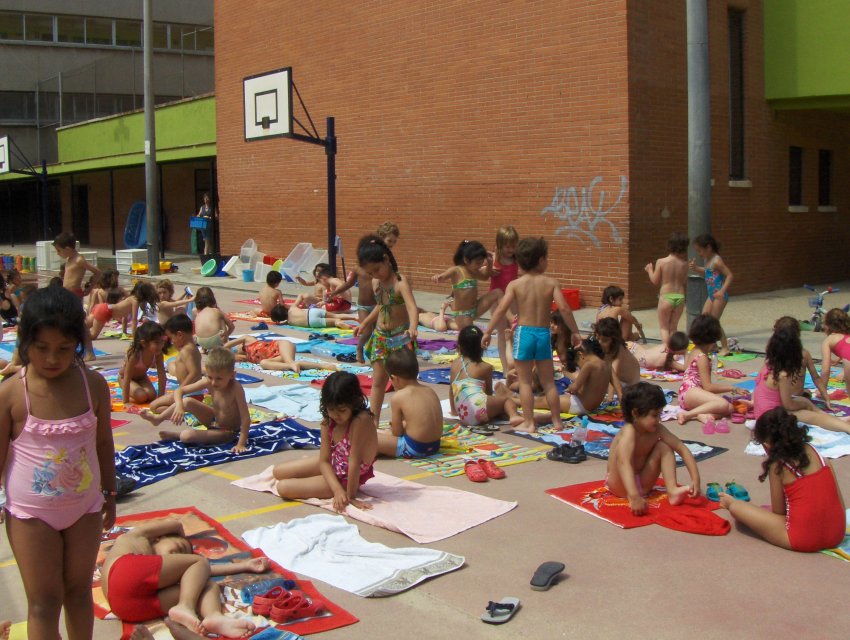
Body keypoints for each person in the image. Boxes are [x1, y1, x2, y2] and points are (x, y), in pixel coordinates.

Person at [0, 286, 116, 639]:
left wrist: (110, 492)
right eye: (42, 348)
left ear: (78, 344)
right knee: (43, 602)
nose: (52, 358)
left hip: (84, 510)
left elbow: (103, 442)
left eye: (64, 349)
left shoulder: (93, 386)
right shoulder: (12, 393)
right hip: (31, 515)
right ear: (25, 343)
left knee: (78, 593)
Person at [482, 237, 582, 433]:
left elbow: (501, 309)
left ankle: (529, 422)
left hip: (524, 334)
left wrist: (487, 331)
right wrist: (576, 331)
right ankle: (557, 421)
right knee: (548, 382)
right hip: (543, 334)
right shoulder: (551, 283)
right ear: (541, 260)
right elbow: (564, 308)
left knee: (525, 382)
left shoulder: (515, 285)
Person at [101, 517, 267, 633]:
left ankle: (213, 617)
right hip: (122, 571)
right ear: (160, 538)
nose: (178, 556)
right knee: (199, 563)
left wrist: (245, 566)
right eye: (179, 548)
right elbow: (175, 524)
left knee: (205, 585)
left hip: (127, 609)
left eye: (182, 554)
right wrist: (181, 535)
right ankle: (185, 606)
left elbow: (202, 572)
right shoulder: (136, 538)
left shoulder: (163, 571)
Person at [719, 407, 845, 552]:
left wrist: (736, 506)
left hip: (803, 538)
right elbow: (839, 502)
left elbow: (779, 512)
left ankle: (730, 502)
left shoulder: (778, 465)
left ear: (767, 445)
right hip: (837, 534)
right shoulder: (817, 453)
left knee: (737, 507)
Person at [272, 372, 377, 511]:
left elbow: (355, 462)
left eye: (342, 410)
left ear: (355, 403)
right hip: (334, 464)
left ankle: (334, 485)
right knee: (278, 472)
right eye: (331, 409)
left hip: (347, 478)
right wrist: (336, 489)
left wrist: (348, 495)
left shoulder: (361, 420)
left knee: (283, 487)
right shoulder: (328, 421)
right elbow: (324, 461)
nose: (336, 415)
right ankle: (323, 480)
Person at [607, 382, 700, 515]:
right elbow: (623, 463)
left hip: (643, 484)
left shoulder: (658, 430)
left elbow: (682, 449)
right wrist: (634, 496)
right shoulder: (629, 431)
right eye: (654, 415)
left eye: (660, 414)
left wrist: (695, 479)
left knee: (664, 447)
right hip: (620, 485)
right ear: (635, 413)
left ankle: (672, 490)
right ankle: (634, 495)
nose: (659, 420)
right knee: (624, 457)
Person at [356, 235, 418, 422]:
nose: (375, 275)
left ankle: (406, 419)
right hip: (381, 337)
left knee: (403, 383)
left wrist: (413, 327)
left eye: (377, 269)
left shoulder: (399, 282)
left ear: (386, 259)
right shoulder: (376, 283)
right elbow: (382, 305)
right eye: (371, 273)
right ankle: (373, 420)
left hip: (400, 338)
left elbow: (411, 307)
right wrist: (365, 323)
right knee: (378, 382)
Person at [141, 348, 251, 453]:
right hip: (213, 419)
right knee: (187, 401)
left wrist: (241, 444)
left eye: (219, 378)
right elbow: (179, 391)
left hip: (227, 431)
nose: (213, 382)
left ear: (232, 375)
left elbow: (245, 418)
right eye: (210, 377)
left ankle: (177, 435)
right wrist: (179, 406)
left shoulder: (236, 388)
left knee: (186, 436)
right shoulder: (208, 381)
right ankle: (158, 419)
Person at [753, 326, 850, 434]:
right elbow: (788, 405)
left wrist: (804, 403)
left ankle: (836, 421)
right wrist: (804, 405)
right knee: (814, 417)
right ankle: (845, 427)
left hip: (763, 414)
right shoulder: (783, 375)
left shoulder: (768, 364)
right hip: (771, 419)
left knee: (804, 401)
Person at [433, 240, 509, 372]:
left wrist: (489, 263)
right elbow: (444, 275)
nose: (479, 266)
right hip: (463, 314)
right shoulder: (457, 270)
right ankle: (464, 364)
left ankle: (510, 316)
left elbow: (485, 277)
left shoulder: (473, 271)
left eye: (481, 262)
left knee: (497, 292)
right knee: (469, 340)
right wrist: (438, 277)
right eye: (477, 263)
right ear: (466, 260)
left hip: (475, 307)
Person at [329, 224, 400, 362]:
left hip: (378, 304)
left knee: (380, 331)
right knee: (367, 331)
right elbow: (348, 284)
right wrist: (334, 292)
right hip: (364, 306)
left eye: (394, 242)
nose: (391, 244)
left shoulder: (386, 264)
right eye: (389, 241)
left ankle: (378, 354)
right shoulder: (359, 268)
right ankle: (359, 348)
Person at [449, 325, 523, 428]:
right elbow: (488, 393)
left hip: (463, 414)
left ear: (460, 346)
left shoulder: (455, 364)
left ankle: (499, 413)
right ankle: (514, 416)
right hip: (479, 407)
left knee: (497, 406)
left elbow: (451, 391)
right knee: (507, 401)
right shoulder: (485, 367)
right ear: (482, 346)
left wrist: (454, 411)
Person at [377, 348, 444, 457]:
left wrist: (395, 427)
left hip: (415, 448)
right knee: (381, 432)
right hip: (435, 446)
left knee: (370, 438)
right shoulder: (429, 390)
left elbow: (397, 433)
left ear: (394, 378)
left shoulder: (398, 397)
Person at [676, 314, 736, 424]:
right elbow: (708, 387)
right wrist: (732, 388)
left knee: (730, 408)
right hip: (691, 392)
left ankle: (704, 414)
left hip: (687, 394)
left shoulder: (694, 350)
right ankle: (687, 415)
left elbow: (686, 369)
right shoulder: (702, 357)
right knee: (722, 404)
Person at [532, 338, 610, 420]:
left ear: (580, 355)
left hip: (580, 405)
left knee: (543, 401)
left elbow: (575, 387)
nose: (579, 366)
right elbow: (616, 385)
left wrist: (569, 387)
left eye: (578, 363)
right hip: (593, 407)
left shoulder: (589, 365)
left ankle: (522, 402)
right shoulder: (607, 365)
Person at [54, 232, 100, 359]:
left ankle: (89, 352)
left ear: (68, 249)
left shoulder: (79, 260)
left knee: (80, 323)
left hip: (74, 295)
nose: (58, 253)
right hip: (67, 295)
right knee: (68, 322)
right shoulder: (69, 259)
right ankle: (71, 349)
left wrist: (90, 287)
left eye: (59, 250)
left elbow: (97, 272)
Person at [147, 314, 203, 414]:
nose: (172, 342)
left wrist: (180, 390)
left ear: (180, 335)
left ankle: (185, 411)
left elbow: (194, 373)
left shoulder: (186, 351)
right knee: (158, 405)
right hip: (194, 393)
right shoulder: (193, 348)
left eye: (171, 338)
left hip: (188, 394)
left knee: (154, 407)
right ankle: (187, 408)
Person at [689, 234, 734, 356]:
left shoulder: (717, 260)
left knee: (714, 321)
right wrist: (696, 268)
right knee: (704, 318)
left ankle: (725, 347)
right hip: (711, 295)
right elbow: (708, 272)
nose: (699, 254)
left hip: (719, 295)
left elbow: (730, 275)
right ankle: (712, 344)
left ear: (708, 248)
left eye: (700, 251)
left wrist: (722, 291)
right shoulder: (707, 259)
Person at [645, 232, 689, 346]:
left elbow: (655, 281)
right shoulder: (685, 264)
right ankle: (674, 349)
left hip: (666, 296)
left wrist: (649, 270)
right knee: (673, 327)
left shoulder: (662, 261)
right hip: (680, 296)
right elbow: (684, 281)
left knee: (664, 328)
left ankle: (665, 351)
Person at [225, 334, 338, 374]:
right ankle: (322, 366)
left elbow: (226, 346)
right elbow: (231, 359)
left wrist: (225, 348)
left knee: (290, 361)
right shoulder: (247, 357)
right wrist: (234, 355)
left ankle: (322, 365)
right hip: (276, 357)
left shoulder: (248, 340)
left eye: (236, 349)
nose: (236, 350)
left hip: (281, 345)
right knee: (263, 363)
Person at [88, 281, 159, 340]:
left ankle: (80, 335)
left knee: (85, 325)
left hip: (103, 307)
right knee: (93, 336)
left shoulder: (131, 298)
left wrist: (124, 332)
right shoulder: (135, 301)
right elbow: (134, 320)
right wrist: (135, 337)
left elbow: (125, 317)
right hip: (105, 311)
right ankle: (81, 337)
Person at [595, 317, 640, 399]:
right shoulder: (608, 347)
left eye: (605, 340)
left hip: (629, 387)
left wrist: (610, 398)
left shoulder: (619, 351)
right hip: (622, 382)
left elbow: (613, 377)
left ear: (614, 340)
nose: (600, 342)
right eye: (597, 338)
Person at [121, 322, 166, 405]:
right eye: (156, 342)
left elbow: (162, 376)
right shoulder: (135, 355)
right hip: (125, 378)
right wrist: (126, 401)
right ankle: (127, 396)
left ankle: (135, 392)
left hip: (142, 378)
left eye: (162, 341)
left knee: (152, 396)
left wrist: (161, 397)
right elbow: (127, 378)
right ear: (144, 343)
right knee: (141, 397)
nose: (160, 345)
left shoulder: (158, 354)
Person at [192, 286, 234, 352]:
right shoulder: (217, 311)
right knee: (221, 321)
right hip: (216, 341)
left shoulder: (195, 311)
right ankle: (225, 345)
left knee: (204, 326)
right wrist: (226, 336)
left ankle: (204, 349)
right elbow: (231, 326)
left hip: (201, 341)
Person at [820, 308, 850, 398]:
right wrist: (838, 359)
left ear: (828, 326)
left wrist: (822, 390)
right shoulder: (847, 335)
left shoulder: (829, 340)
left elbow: (825, 370)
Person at [269, 301, 359, 330]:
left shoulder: (290, 322)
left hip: (311, 322)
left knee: (335, 321)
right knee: (335, 316)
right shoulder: (292, 309)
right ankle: (354, 317)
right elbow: (300, 300)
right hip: (311, 312)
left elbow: (283, 323)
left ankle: (343, 325)